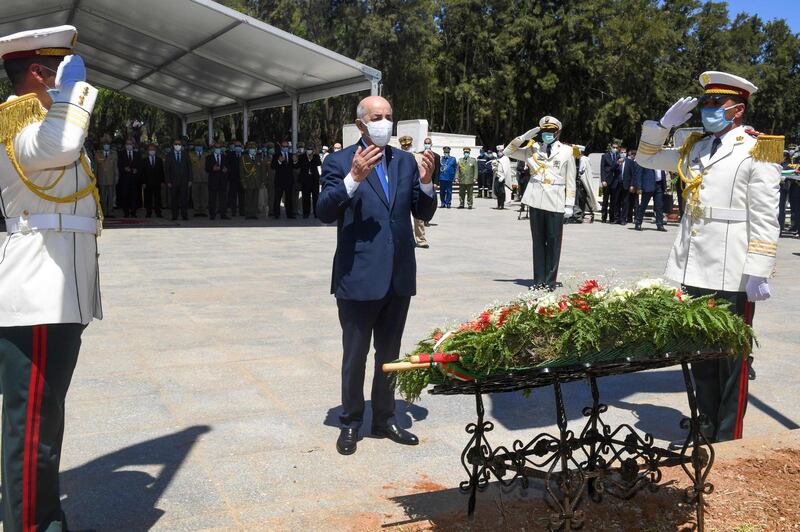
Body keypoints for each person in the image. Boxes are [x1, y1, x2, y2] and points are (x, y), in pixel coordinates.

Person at [635, 70, 782, 442]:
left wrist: (759, 270)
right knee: (700, 355)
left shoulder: (759, 148)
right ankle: (703, 429)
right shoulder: (696, 147)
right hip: (695, 264)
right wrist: (661, 126)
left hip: (733, 269)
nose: (708, 109)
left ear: (737, 109)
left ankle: (728, 439)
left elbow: (766, 215)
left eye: (716, 103)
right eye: (706, 102)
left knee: (731, 361)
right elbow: (646, 159)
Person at [0, 26, 103, 531]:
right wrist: (75, 95)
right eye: (61, 69)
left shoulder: (38, 122)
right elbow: (61, 144)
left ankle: (44, 516)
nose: (70, 77)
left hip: (58, 295)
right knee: (32, 429)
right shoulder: (21, 125)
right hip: (37, 295)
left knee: (45, 421)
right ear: (42, 73)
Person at [317, 95, 437, 456]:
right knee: (355, 355)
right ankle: (351, 421)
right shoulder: (338, 161)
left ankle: (384, 418)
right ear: (361, 124)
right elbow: (323, 211)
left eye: (388, 116)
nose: (384, 122)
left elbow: (422, 210)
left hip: (398, 275)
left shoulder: (403, 162)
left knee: (390, 353)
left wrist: (428, 182)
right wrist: (354, 178)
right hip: (358, 276)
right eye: (376, 117)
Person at [505, 115, 577, 289]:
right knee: (537, 242)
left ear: (557, 132)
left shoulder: (567, 151)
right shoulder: (532, 149)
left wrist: (569, 204)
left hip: (556, 201)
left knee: (553, 242)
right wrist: (523, 138)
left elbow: (571, 180)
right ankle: (538, 281)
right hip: (536, 199)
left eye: (551, 131)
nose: (548, 134)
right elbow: (508, 152)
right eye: (544, 131)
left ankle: (550, 281)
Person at [400, 136, 430, 248]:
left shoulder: (419, 157)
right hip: (401, 189)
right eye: (404, 145)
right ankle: (404, 239)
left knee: (419, 216)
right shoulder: (396, 157)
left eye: (408, 144)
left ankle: (421, 239)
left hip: (416, 188)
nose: (406, 146)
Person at [164, 138, 193, 221]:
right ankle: (174, 215)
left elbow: (189, 168)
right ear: (173, 146)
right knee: (174, 200)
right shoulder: (169, 155)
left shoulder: (185, 154)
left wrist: (190, 180)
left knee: (184, 199)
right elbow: (167, 170)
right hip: (173, 182)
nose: (177, 146)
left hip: (184, 181)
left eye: (179, 144)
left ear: (181, 145)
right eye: (176, 144)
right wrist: (168, 181)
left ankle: (184, 215)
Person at [633, 166, 667, 231]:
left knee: (659, 206)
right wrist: (639, 187)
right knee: (643, 205)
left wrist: (664, 186)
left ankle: (660, 224)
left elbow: (662, 173)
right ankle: (638, 223)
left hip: (659, 185)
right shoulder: (646, 159)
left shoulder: (660, 160)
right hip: (648, 185)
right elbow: (639, 173)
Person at [94, 134, 118, 218]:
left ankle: (111, 212)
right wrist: (95, 178)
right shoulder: (98, 154)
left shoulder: (114, 154)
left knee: (111, 196)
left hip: (111, 178)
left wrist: (116, 177)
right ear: (102, 145)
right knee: (102, 196)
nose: (106, 145)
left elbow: (115, 167)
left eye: (107, 144)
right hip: (101, 178)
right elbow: (96, 167)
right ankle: (103, 211)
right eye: (105, 144)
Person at [118, 137, 142, 217]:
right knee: (125, 196)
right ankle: (126, 212)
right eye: (127, 144)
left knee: (134, 196)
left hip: (134, 179)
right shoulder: (121, 154)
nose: (129, 145)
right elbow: (119, 165)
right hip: (125, 179)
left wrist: (137, 170)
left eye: (130, 144)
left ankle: (134, 212)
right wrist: (124, 168)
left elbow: (140, 165)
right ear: (125, 145)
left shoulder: (137, 154)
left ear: (133, 145)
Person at [272, 140, 296, 218]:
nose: (285, 148)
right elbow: (272, 166)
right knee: (277, 198)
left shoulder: (291, 155)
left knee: (289, 198)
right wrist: (279, 161)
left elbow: (295, 166)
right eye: (284, 146)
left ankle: (289, 214)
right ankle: (276, 214)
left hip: (289, 181)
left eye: (286, 147)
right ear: (281, 147)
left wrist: (295, 161)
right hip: (279, 180)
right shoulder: (276, 155)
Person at [206, 141, 230, 220]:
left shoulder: (224, 156)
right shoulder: (209, 157)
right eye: (216, 147)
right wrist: (212, 169)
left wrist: (226, 169)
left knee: (223, 198)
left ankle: (223, 214)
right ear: (213, 148)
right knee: (212, 199)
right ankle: (212, 215)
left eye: (219, 148)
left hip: (222, 180)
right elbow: (207, 168)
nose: (218, 149)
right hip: (213, 181)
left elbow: (228, 167)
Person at [241, 141, 263, 219]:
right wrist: (243, 182)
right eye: (251, 149)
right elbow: (242, 172)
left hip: (256, 182)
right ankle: (248, 214)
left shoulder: (258, 158)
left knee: (255, 199)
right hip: (248, 182)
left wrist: (261, 181)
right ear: (248, 149)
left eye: (254, 148)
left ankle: (254, 214)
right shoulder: (244, 158)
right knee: (248, 199)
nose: (253, 150)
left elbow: (261, 170)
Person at [142, 142, 165, 218]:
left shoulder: (159, 160)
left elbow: (162, 172)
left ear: (155, 150)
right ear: (148, 151)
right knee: (148, 198)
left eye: (153, 149)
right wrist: (143, 182)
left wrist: (162, 181)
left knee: (158, 198)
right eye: (150, 149)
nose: (152, 151)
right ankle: (148, 212)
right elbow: (143, 172)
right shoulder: (144, 160)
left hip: (157, 182)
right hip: (148, 183)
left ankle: (158, 212)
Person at [600, 142, 621, 223]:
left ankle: (611, 218)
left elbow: (617, 168)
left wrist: (618, 163)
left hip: (615, 181)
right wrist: (603, 180)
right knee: (605, 200)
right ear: (611, 147)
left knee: (613, 200)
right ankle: (604, 217)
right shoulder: (605, 156)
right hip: (607, 180)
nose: (615, 149)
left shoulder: (618, 156)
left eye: (616, 147)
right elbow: (602, 168)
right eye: (613, 147)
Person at [299, 147, 322, 218]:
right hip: (305, 180)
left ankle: (316, 213)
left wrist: (313, 157)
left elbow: (319, 163)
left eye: (311, 149)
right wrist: (309, 159)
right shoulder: (302, 156)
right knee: (306, 197)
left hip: (314, 179)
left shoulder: (316, 156)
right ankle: (306, 213)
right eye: (308, 149)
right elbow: (301, 165)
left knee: (315, 197)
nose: (310, 151)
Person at [619, 148, 639, 224]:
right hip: (618, 185)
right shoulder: (617, 161)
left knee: (628, 202)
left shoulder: (630, 162)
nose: (623, 153)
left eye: (624, 152)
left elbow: (633, 174)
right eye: (621, 152)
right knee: (620, 202)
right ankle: (619, 218)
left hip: (627, 185)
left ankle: (625, 219)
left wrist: (632, 185)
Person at [190, 139, 208, 217]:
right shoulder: (190, 155)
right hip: (195, 178)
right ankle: (196, 210)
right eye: (197, 146)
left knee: (205, 195)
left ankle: (203, 210)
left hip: (205, 178)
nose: (199, 147)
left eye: (200, 146)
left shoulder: (207, 155)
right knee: (195, 195)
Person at [226, 140, 244, 217]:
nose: (237, 147)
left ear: (241, 147)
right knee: (233, 196)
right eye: (236, 146)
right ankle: (233, 211)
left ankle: (242, 211)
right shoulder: (230, 154)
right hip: (233, 179)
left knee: (242, 196)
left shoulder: (244, 155)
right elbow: (227, 165)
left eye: (239, 146)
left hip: (242, 179)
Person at [492, 144, 512, 209]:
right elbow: (494, 167)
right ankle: (498, 204)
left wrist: (503, 176)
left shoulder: (505, 158)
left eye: (500, 151)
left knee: (502, 192)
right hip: (497, 176)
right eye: (498, 151)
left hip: (503, 178)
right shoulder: (497, 159)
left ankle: (502, 205)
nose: (499, 152)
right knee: (497, 191)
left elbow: (506, 169)